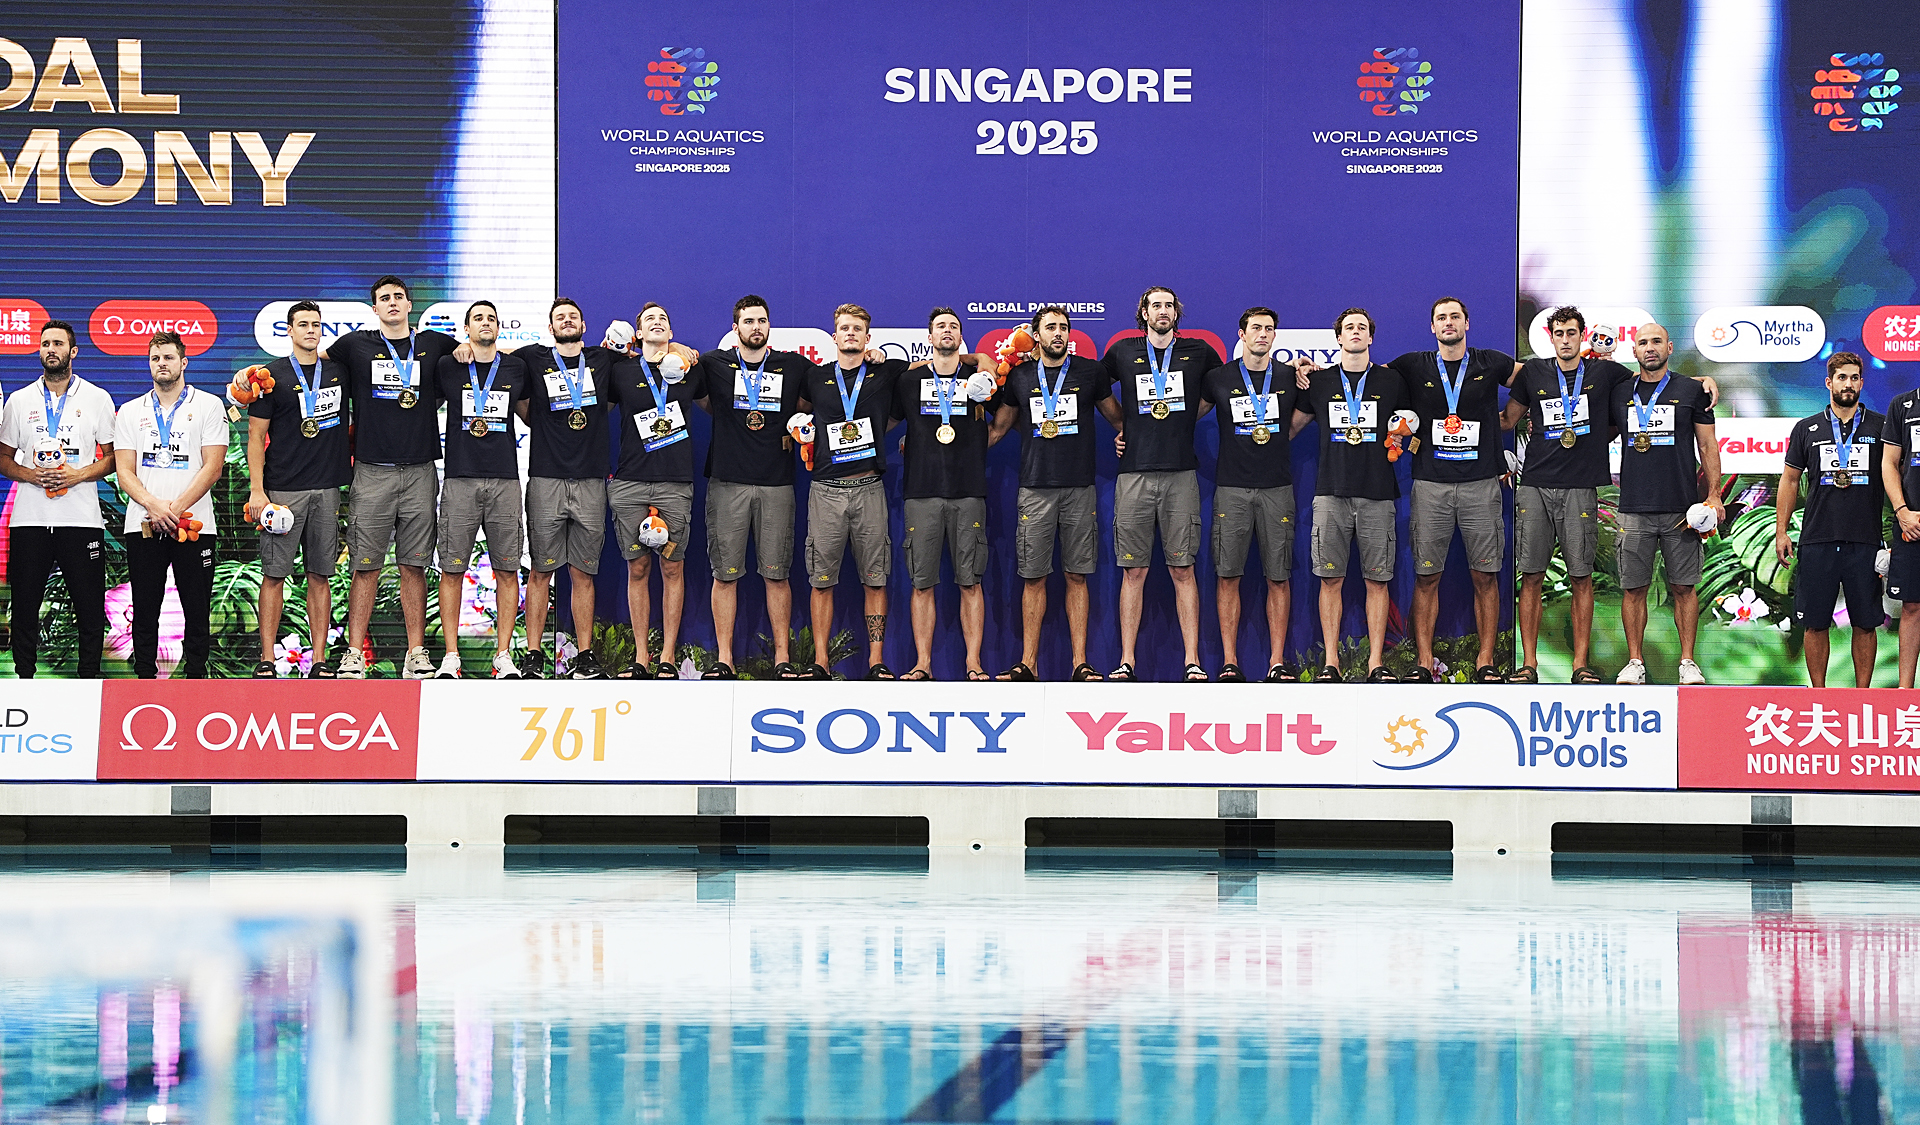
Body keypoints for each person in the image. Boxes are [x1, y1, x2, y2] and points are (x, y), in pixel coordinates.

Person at [325, 275, 457, 679]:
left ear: (410, 304)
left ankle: (416, 653)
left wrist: (468, 345)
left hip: (420, 470)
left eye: (399, 296)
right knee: (365, 566)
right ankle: (353, 654)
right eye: (385, 298)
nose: (393, 303)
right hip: (372, 471)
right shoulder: (354, 345)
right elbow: (309, 360)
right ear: (375, 308)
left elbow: (486, 354)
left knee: (413, 565)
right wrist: (252, 377)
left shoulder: (435, 344)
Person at [1386, 298, 1517, 683]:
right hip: (1430, 485)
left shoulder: (1490, 361)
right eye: (1441, 318)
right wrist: (1304, 369)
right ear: (1432, 327)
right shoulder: (1413, 365)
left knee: (1486, 576)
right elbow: (1365, 373)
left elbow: (1537, 378)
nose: (1448, 323)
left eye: (1454, 317)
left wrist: (1510, 419)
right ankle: (1423, 661)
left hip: (1481, 484)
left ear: (1467, 323)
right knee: (1427, 576)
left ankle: (1486, 660)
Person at [1101, 286, 1222, 681]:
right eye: (1156, 306)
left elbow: (1226, 386)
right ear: (1144, 312)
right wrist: (1124, 426)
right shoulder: (1122, 351)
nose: (1163, 311)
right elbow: (1091, 387)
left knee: (1182, 569)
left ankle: (1192, 661)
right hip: (1133, 474)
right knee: (1133, 571)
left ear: (1177, 313)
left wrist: (1186, 418)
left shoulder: (1200, 352)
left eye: (1169, 306)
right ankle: (1126, 661)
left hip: (1181, 474)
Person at [513, 298, 628, 679]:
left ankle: (584, 655)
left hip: (593, 479)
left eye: (573, 317)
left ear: (584, 324)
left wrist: (681, 349)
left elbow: (653, 354)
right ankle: (533, 654)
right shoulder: (532, 358)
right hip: (546, 478)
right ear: (550, 328)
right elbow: (496, 358)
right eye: (559, 317)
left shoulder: (602, 360)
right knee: (540, 571)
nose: (566, 321)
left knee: (583, 572)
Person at [693, 295, 807, 679]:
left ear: (769, 326)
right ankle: (724, 658)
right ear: (735, 328)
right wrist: (675, 345)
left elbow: (834, 381)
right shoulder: (714, 363)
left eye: (761, 320)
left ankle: (781, 658)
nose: (755, 327)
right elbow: (677, 355)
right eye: (748, 321)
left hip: (777, 483)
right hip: (728, 483)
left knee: (777, 573)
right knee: (724, 574)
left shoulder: (792, 365)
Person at [1292, 308, 1407, 683]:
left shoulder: (1392, 382)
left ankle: (1376, 662)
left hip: (1377, 493)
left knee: (1378, 581)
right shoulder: (1320, 382)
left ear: (1371, 338)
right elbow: (1289, 428)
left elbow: (1416, 424)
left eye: (1362, 328)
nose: (1355, 333)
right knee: (1330, 580)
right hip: (1331, 494)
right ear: (1338, 338)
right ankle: (1331, 662)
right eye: (1348, 328)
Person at [996, 307, 1109, 682]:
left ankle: (1081, 663)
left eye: (1063, 327)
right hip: (1035, 488)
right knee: (1033, 577)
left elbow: (1119, 417)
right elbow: (998, 429)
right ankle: (1028, 663)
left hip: (1079, 487)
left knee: (1078, 575)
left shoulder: (1090, 372)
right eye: (1050, 328)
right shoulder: (1020, 375)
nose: (1058, 333)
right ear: (1036, 335)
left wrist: (1129, 436)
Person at [796, 304, 908, 679]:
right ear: (834, 336)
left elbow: (944, 365)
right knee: (821, 580)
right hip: (826, 490)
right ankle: (821, 662)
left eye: (857, 329)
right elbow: (793, 412)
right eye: (844, 328)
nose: (850, 334)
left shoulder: (886, 370)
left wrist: (980, 359)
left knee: (875, 578)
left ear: (867, 337)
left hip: (869, 488)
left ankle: (876, 661)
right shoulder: (814, 377)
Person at [0, 320, 116, 678]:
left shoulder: (98, 398)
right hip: (29, 521)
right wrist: (31, 475)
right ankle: (23, 680)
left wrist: (78, 474)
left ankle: (88, 681)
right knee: (24, 607)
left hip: (81, 521)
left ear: (73, 352)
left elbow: (114, 459)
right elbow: (3, 458)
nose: (51, 349)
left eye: (58, 344)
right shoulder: (19, 401)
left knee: (89, 609)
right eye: (45, 343)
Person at [892, 307, 1002, 680]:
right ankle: (923, 663)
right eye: (941, 326)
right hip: (921, 492)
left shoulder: (980, 376)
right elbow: (887, 419)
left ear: (961, 337)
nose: (947, 332)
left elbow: (1006, 415)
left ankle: (973, 663)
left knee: (970, 580)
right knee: (921, 582)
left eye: (954, 327)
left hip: (968, 489)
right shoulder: (909, 380)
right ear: (929, 336)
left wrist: (987, 441)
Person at [1610, 322, 1723, 685]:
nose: (1650, 348)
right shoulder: (1618, 391)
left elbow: (1708, 446)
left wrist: (1714, 495)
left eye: (1656, 341)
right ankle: (1635, 663)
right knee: (1633, 589)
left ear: (1670, 347)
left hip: (1681, 508)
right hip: (1633, 507)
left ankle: (1688, 662)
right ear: (1634, 351)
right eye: (1642, 342)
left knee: (1684, 587)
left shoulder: (1691, 390)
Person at [243, 300, 351, 678]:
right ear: (288, 331)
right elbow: (255, 438)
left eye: (316, 324)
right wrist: (258, 491)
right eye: (302, 324)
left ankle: (320, 660)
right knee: (274, 575)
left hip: (327, 489)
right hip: (282, 492)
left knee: (320, 575)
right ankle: (267, 660)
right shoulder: (270, 377)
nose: (310, 329)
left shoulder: (339, 371)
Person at [1202, 307, 1307, 682]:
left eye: (1269, 329)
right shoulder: (1218, 377)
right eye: (1256, 328)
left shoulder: (1290, 377)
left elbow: (1299, 420)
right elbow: (1182, 419)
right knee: (1227, 575)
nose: (1263, 334)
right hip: (1231, 487)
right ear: (1242, 335)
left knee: (1278, 576)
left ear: (1275, 336)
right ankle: (1230, 661)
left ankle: (1277, 661)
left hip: (1277, 487)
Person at [113, 330, 226, 679]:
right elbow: (124, 471)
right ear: (149, 365)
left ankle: (196, 679)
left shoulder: (209, 405)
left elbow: (213, 467)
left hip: (195, 526)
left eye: (168, 358)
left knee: (196, 608)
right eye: (155, 358)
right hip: (144, 524)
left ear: (183, 362)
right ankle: (144, 679)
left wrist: (173, 509)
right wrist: (154, 506)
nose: (162, 364)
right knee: (145, 608)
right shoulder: (131, 411)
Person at [430, 301, 528, 678]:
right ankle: (451, 656)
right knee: (452, 569)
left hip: (505, 479)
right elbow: (423, 347)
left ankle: (503, 655)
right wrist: (455, 346)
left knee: (506, 569)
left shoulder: (516, 367)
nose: (485, 324)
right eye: (478, 319)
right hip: (459, 479)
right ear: (466, 328)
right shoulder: (448, 365)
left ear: (499, 328)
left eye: (491, 319)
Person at [1778, 352, 1884, 688]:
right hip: (1818, 538)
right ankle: (1819, 694)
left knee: (1865, 622)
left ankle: (1863, 694)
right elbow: (1790, 480)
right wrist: (1782, 531)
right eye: (1842, 377)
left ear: (1862, 383)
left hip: (1864, 539)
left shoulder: (1881, 427)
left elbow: (1896, 475)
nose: (1848, 384)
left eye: (1854, 378)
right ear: (1829, 382)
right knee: (1815, 621)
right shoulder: (1806, 428)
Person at [608, 302, 701, 678]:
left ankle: (667, 657)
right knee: (638, 568)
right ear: (638, 334)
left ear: (671, 331)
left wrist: (686, 354)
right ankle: (641, 658)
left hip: (675, 482)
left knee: (672, 569)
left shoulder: (691, 371)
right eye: (650, 320)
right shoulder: (621, 371)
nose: (658, 323)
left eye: (664, 318)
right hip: (630, 482)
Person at [1882, 368, 1920, 688]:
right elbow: (1889, 463)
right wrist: (1902, 511)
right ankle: (1904, 691)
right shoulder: (1902, 405)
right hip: (1912, 524)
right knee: (1911, 606)